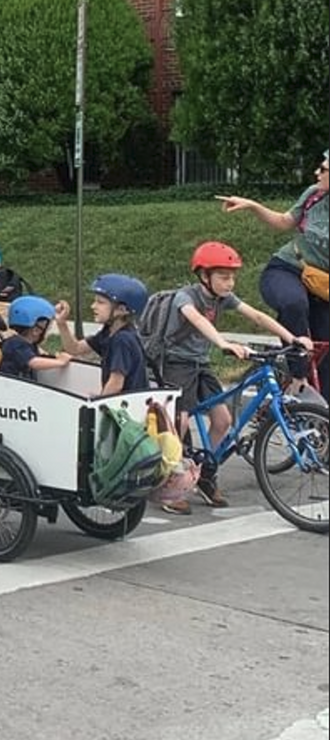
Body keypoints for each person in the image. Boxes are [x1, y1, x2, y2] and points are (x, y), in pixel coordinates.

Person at [156, 241, 312, 506]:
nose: (230, 283)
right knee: (179, 421)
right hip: (175, 363)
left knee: (223, 420)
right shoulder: (186, 297)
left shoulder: (223, 299)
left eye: (232, 277)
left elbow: (258, 317)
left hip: (200, 364)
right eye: (223, 277)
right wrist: (223, 343)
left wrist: (292, 337)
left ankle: (204, 474)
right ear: (204, 276)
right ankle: (172, 482)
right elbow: (197, 320)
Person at [218, 150, 330, 401]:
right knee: (294, 304)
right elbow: (283, 221)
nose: (317, 173)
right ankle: (297, 376)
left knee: (325, 354)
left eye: (323, 169)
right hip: (287, 269)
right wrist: (252, 205)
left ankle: (319, 422)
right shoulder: (314, 195)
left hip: (323, 287)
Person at [55, 274, 151, 396]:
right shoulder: (108, 332)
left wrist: (97, 405)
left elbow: (116, 384)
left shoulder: (122, 339)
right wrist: (61, 323)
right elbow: (75, 348)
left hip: (126, 409)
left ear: (122, 310)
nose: (93, 306)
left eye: (100, 302)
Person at [0, 295, 72, 380]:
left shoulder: (27, 344)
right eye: (48, 328)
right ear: (36, 331)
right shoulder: (15, 344)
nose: (48, 332)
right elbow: (34, 362)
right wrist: (60, 362)